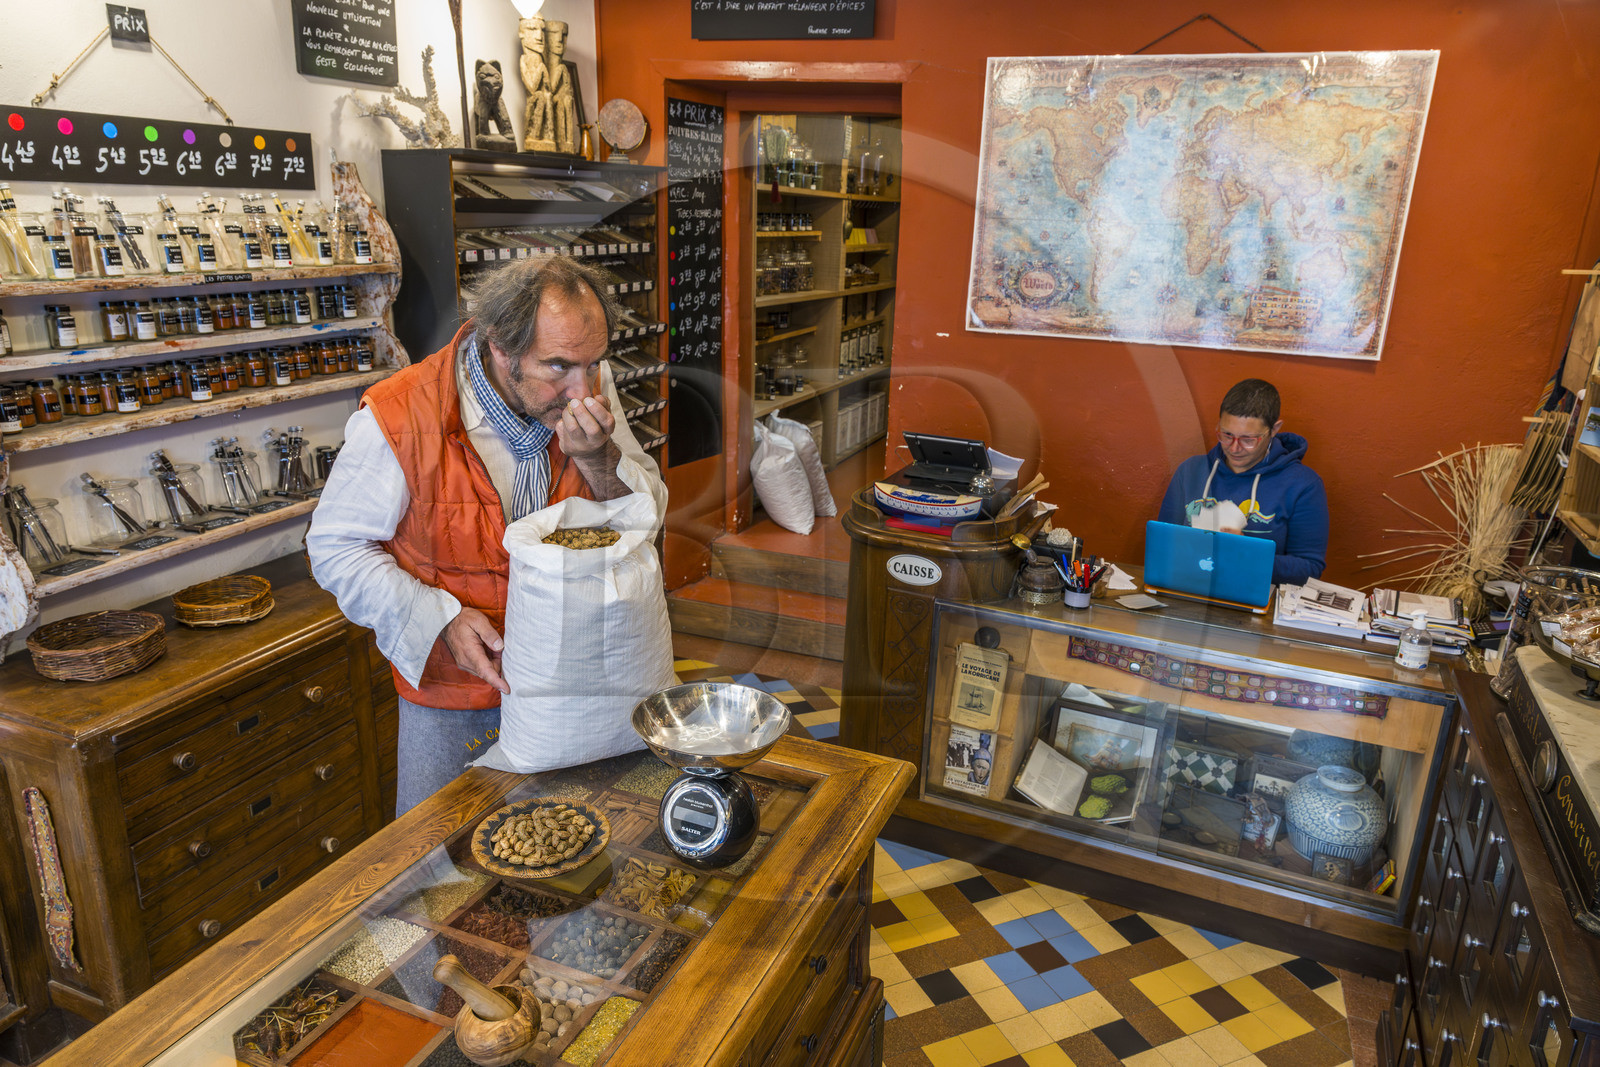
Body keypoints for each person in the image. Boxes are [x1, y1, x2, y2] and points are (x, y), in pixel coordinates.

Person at [307, 257, 666, 814]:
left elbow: (643, 515)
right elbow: (335, 549)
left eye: (594, 364)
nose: (582, 390)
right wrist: (439, 617)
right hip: (460, 690)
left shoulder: (586, 382)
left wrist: (599, 460)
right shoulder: (399, 415)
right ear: (499, 346)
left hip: (576, 676)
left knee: (582, 844)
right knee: (442, 868)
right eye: (559, 367)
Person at [1157, 378, 1328, 585]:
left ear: (1274, 430)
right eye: (1226, 435)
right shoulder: (1191, 471)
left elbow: (1309, 569)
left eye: (1248, 440)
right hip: (1187, 587)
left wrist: (1245, 553)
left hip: (1255, 599)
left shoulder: (1303, 485)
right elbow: (1162, 542)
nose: (1234, 448)